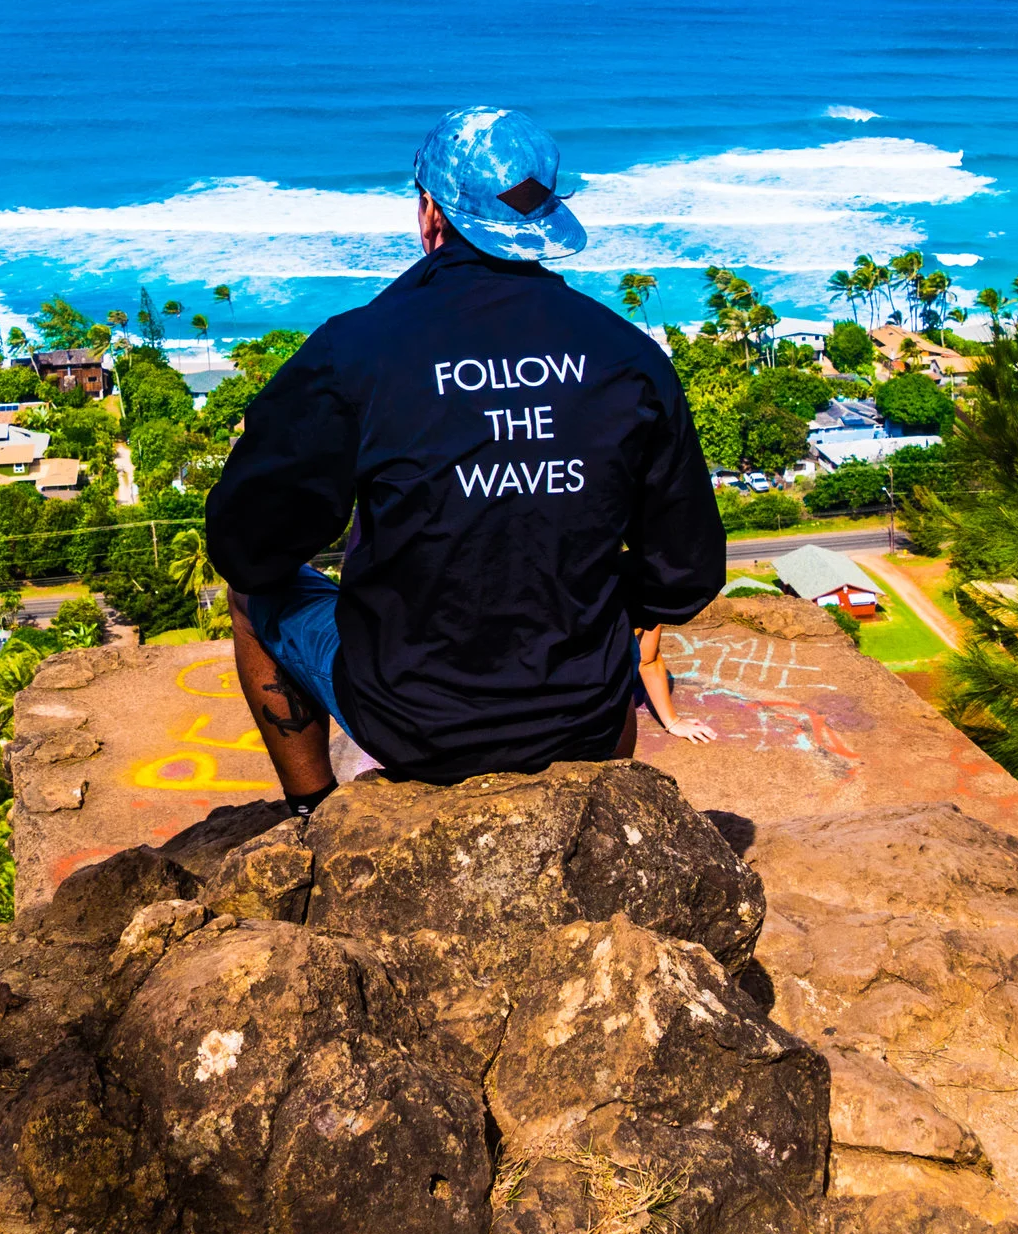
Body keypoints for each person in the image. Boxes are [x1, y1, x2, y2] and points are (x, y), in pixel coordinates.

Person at [205, 105, 727, 813]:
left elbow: (248, 547)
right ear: (543, 218)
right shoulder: (628, 356)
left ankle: (313, 813)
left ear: (431, 213)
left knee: (252, 599)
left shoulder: (358, 350)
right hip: (585, 715)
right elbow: (688, 571)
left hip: (415, 721)